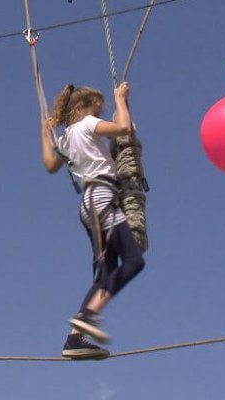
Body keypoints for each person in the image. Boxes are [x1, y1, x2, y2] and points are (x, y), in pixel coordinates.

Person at [41, 81, 146, 359]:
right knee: (134, 261)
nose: (99, 117)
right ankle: (87, 316)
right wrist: (121, 99)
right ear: (79, 110)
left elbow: (51, 165)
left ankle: (74, 339)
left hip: (89, 205)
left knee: (106, 271)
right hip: (101, 198)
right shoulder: (86, 124)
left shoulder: (65, 138)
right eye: (96, 111)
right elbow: (124, 128)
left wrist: (44, 133)